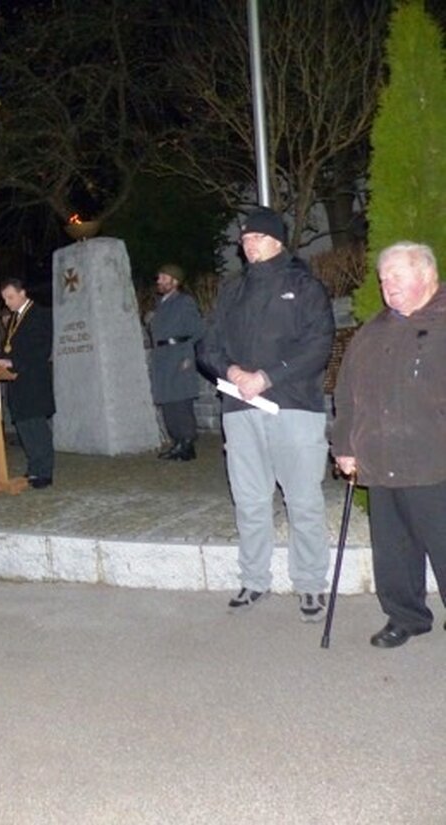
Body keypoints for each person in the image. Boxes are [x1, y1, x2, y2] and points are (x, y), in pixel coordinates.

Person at [199, 206, 335, 621]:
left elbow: (318, 345)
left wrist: (269, 376)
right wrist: (232, 371)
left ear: (276, 240)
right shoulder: (231, 292)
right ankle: (254, 580)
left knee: (303, 500)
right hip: (240, 409)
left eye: (256, 236)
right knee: (250, 500)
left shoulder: (305, 287)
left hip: (293, 407)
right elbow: (208, 346)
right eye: (244, 238)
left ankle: (310, 584)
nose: (248, 243)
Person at [332, 241, 446, 648]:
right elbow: (346, 394)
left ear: (427, 274)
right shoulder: (372, 331)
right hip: (380, 462)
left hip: (435, 463)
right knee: (393, 551)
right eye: (383, 279)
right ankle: (406, 616)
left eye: (396, 275)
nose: (387, 285)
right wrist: (344, 445)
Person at [0, 277, 55, 488]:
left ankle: (44, 472)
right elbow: (9, 346)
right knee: (24, 427)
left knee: (36, 427)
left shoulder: (41, 315)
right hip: (17, 382)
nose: (7, 303)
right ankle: (33, 468)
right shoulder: (13, 319)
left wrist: (13, 361)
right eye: (4, 299)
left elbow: (42, 350)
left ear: (22, 293)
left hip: (33, 380)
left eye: (10, 297)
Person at [148, 263, 205, 461]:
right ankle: (178, 443)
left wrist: (187, 355)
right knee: (168, 402)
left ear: (175, 281)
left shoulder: (184, 302)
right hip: (163, 357)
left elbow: (198, 330)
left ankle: (186, 443)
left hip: (178, 355)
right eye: (159, 277)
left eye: (163, 278)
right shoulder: (162, 303)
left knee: (180, 401)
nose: (159, 281)